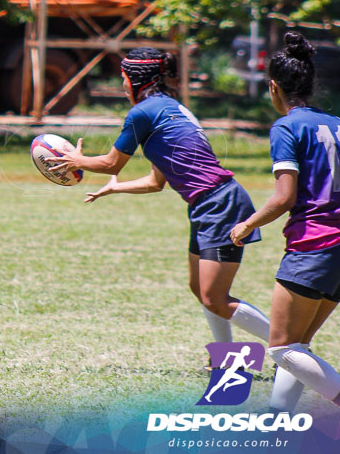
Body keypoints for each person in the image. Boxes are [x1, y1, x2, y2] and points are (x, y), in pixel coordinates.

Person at [47, 47, 272, 348]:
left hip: (221, 205)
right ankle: (226, 359)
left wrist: (77, 160)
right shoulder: (169, 108)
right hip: (209, 205)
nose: (123, 86)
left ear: (135, 80)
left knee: (214, 298)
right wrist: (115, 188)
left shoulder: (142, 113)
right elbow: (156, 181)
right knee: (200, 288)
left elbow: (112, 163)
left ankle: (287, 345)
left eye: (123, 78)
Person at [230, 33, 340, 411]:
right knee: (298, 345)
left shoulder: (286, 127)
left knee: (281, 347)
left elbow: (283, 197)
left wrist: (246, 226)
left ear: (274, 87)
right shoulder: (337, 124)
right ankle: (279, 421)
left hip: (314, 244)